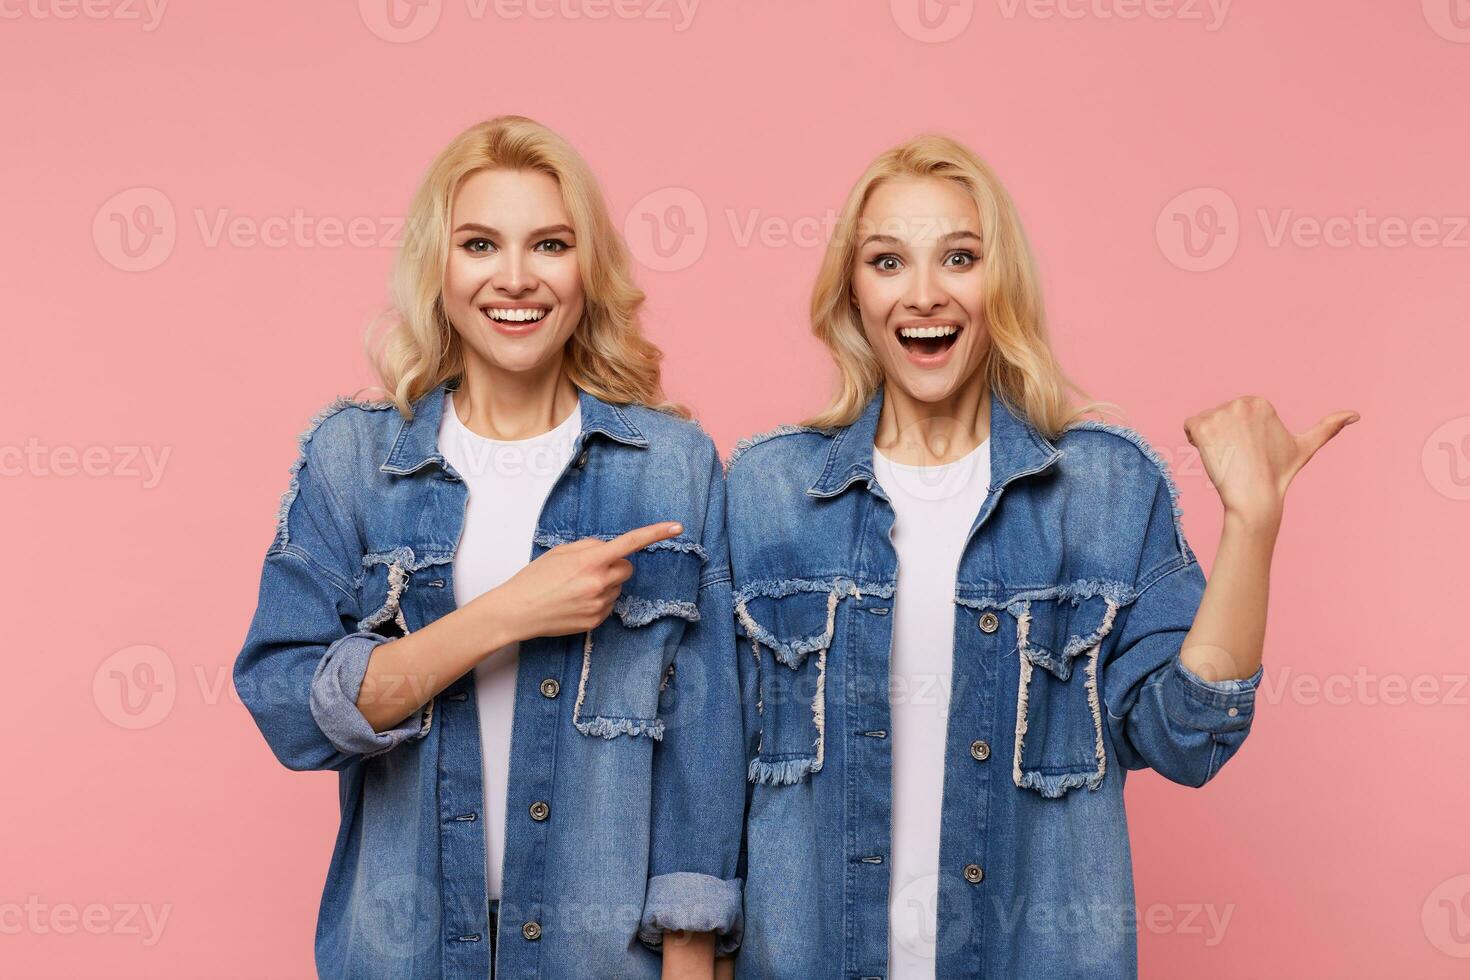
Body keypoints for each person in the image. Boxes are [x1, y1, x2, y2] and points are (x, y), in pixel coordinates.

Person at [724, 134, 1356, 979]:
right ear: (852, 292)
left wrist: (1252, 523)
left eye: (960, 256)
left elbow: (1186, 737)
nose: (923, 294)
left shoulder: (1105, 484)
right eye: (886, 261)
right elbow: (708, 772)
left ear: (1002, 281)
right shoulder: (768, 490)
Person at [234, 115, 744, 980]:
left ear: (588, 271)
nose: (515, 278)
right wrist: (507, 613)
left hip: (604, 958)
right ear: (439, 268)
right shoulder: (355, 459)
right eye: (480, 244)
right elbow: (287, 702)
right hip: (407, 952)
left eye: (549, 243)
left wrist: (692, 956)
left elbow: (706, 737)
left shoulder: (673, 465)